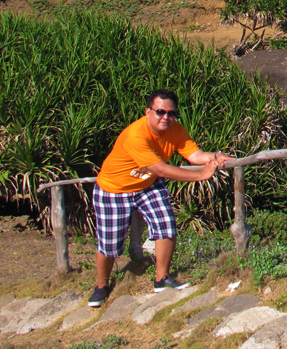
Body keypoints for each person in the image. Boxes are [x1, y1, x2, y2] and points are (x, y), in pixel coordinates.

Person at [88, 89, 230, 307]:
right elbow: (161, 169)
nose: (166, 117)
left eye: (171, 113)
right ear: (148, 112)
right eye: (160, 112)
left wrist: (215, 156)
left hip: (147, 184)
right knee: (110, 244)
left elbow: (194, 155)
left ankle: (161, 278)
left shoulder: (175, 130)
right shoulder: (136, 135)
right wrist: (200, 175)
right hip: (114, 190)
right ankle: (101, 285)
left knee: (166, 224)